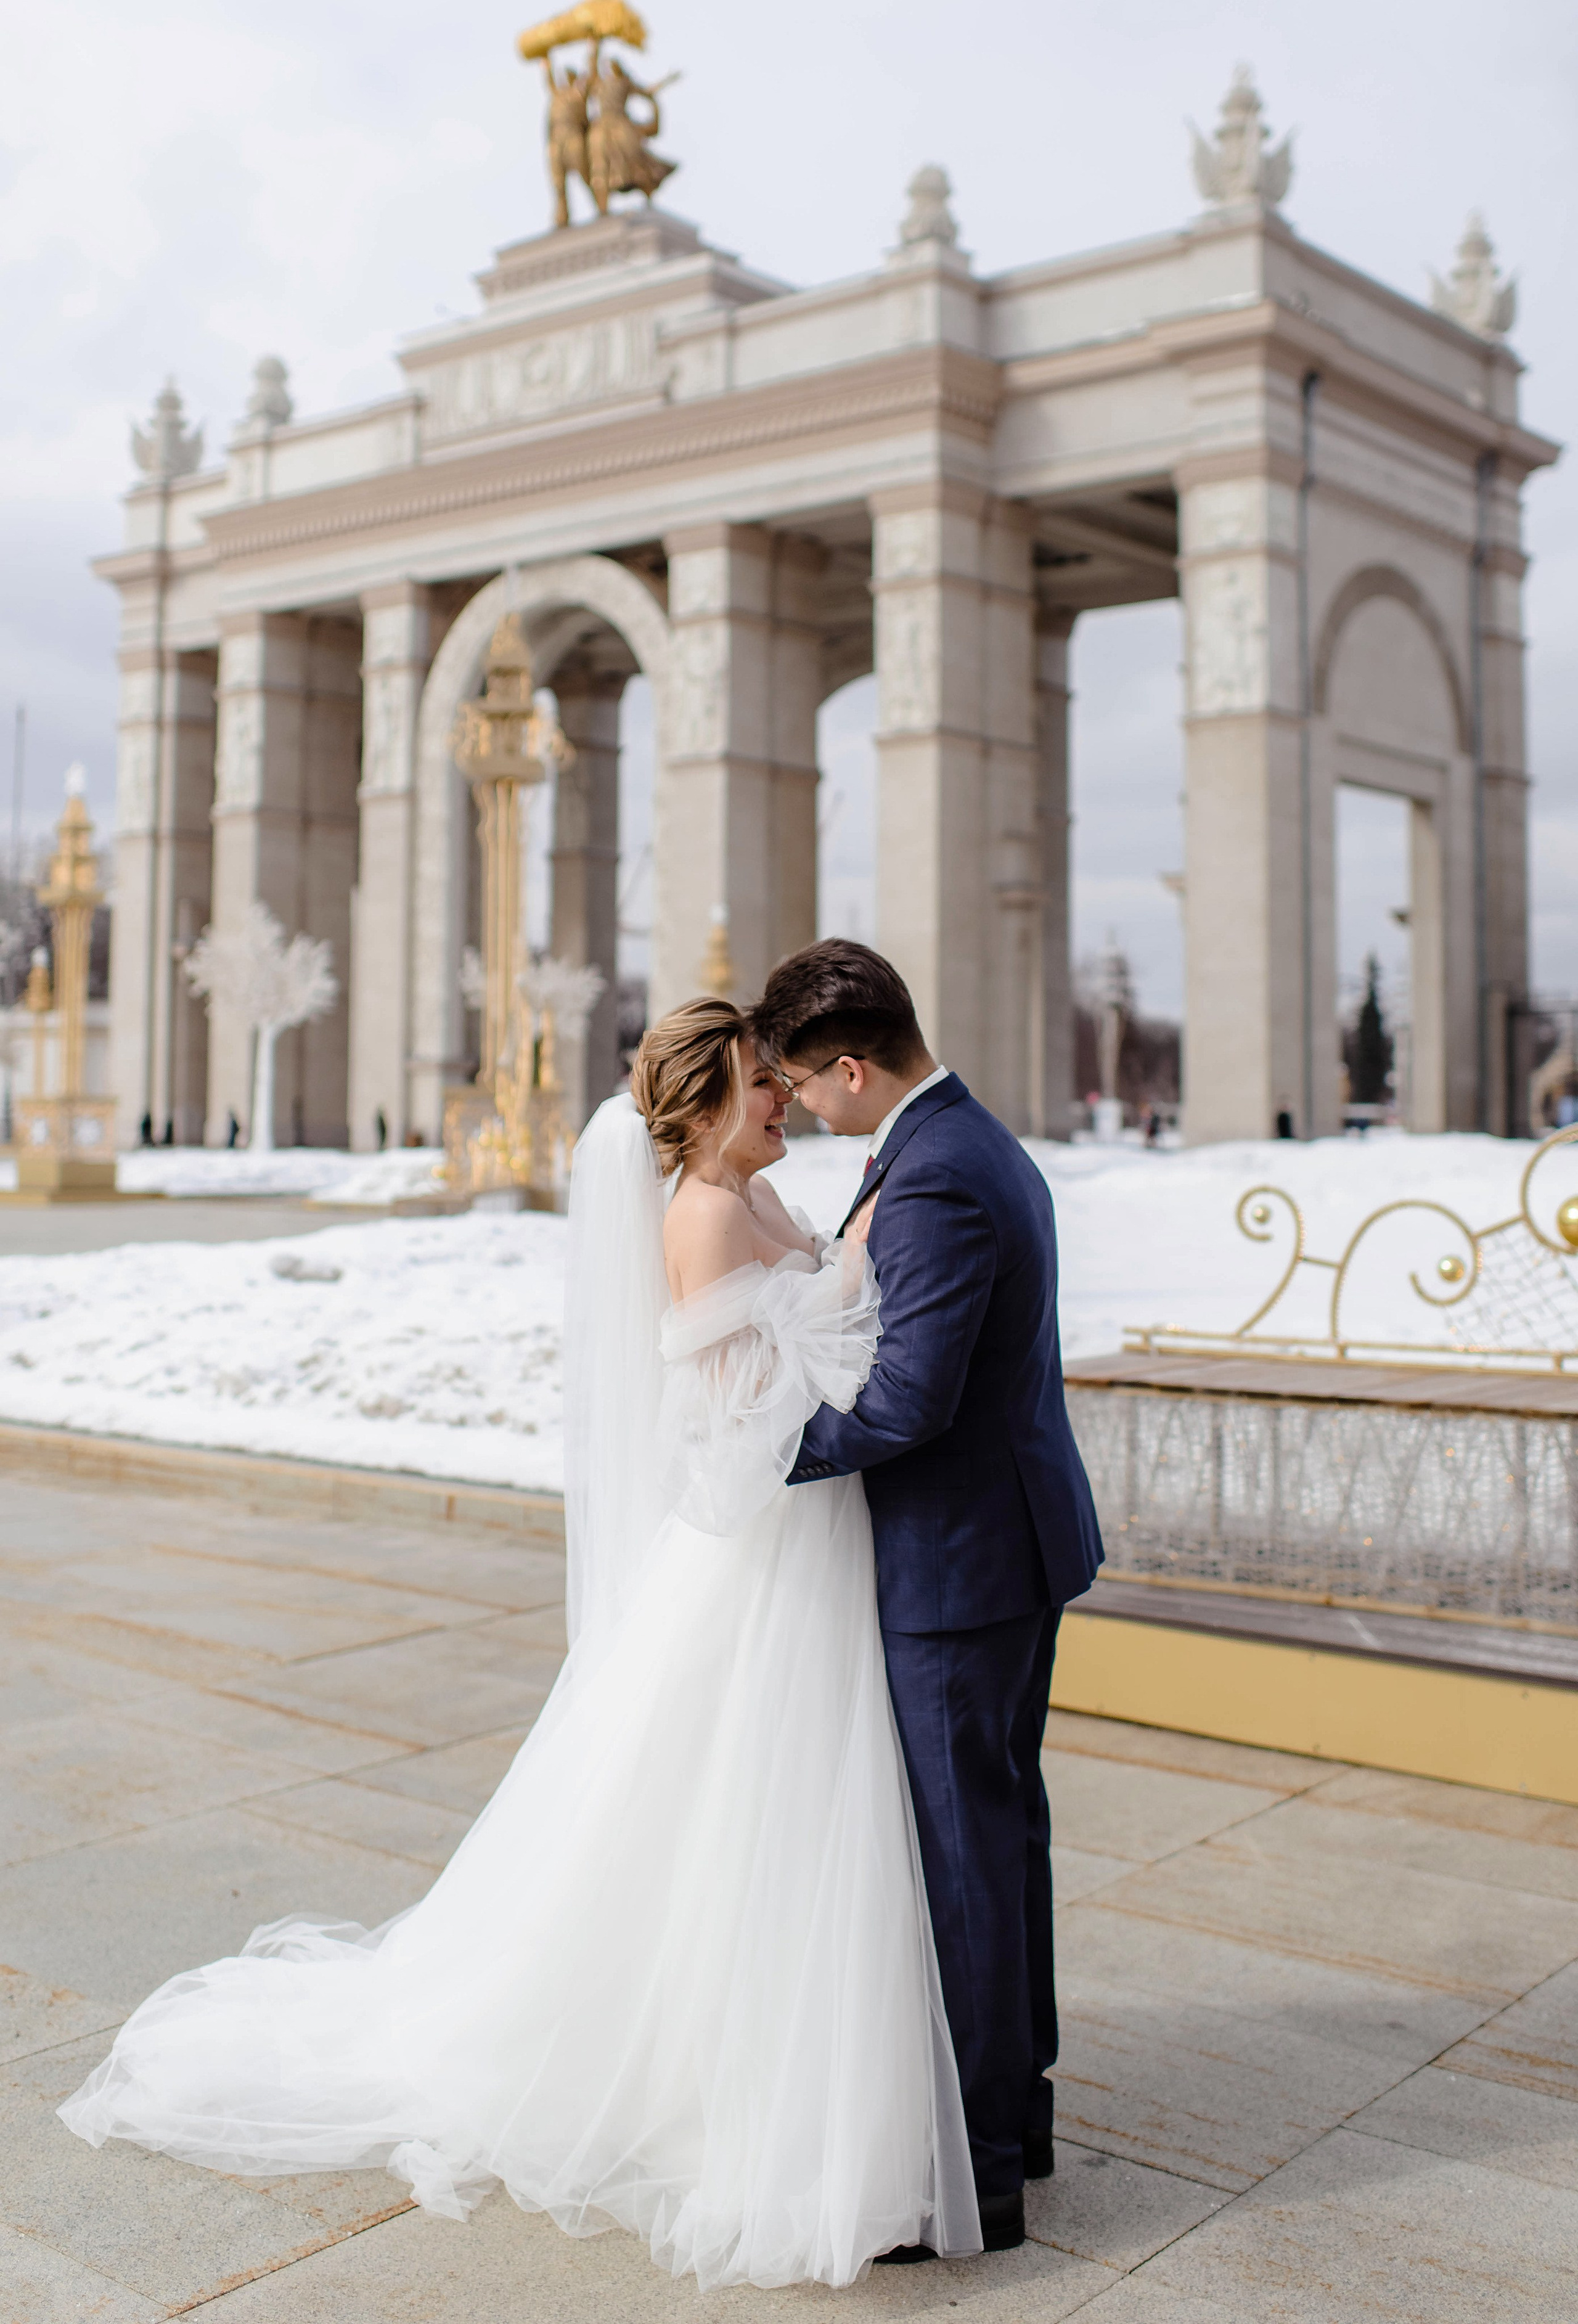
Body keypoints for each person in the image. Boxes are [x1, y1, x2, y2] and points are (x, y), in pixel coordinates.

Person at [57, 997, 979, 2288]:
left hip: (814, 1549)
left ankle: (789, 2076)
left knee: (773, 1820)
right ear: (708, 1105)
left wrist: (846, 1269)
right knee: (748, 1815)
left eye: (779, 1081)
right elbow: (727, 1427)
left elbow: (806, 1326)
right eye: (760, 1085)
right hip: (761, 1554)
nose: (782, 1101)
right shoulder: (704, 1216)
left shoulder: (754, 1199)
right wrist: (853, 1291)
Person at [751, 939, 1105, 2259]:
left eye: (806, 1084)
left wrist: (761, 1457)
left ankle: (980, 2168)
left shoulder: (939, 1177)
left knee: (965, 1857)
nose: (803, 1110)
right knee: (999, 1841)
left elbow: (907, 1402)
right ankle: (1015, 2112)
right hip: (1001, 1548)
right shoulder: (959, 1142)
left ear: (852, 1067)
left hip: (961, 1567)